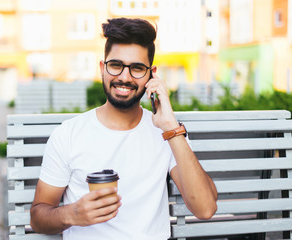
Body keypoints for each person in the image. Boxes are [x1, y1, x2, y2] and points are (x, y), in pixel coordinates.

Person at [30, 17, 217, 240]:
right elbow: (38, 217)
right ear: (102, 68)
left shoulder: (168, 133)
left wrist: (170, 127)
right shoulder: (69, 134)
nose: (124, 77)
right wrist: (72, 214)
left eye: (137, 68)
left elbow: (205, 209)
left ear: (152, 74)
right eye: (116, 65)